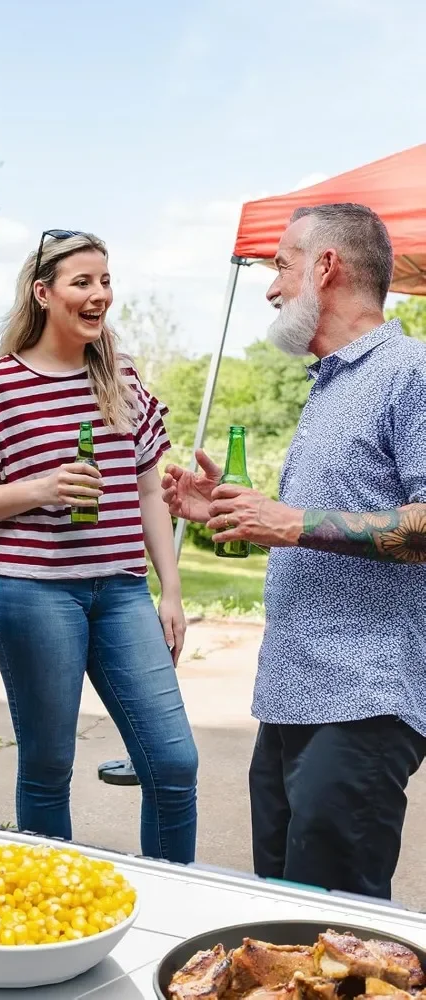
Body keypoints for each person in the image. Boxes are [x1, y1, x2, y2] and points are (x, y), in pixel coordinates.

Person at [163, 203, 426, 900]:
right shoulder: (329, 384)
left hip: (364, 700)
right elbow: (303, 524)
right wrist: (225, 511)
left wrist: (292, 522)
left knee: (332, 933)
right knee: (280, 915)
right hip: (290, 696)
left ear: (326, 266)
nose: (273, 285)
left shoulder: (410, 371)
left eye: (281, 264)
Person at [0, 230, 198, 862]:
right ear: (43, 293)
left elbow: (148, 489)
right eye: (83, 282)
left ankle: (171, 909)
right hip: (31, 592)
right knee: (50, 763)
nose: (98, 294)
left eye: (105, 281)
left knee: (172, 761)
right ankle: (53, 918)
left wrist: (171, 588)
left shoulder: (122, 376)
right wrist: (40, 488)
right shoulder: (0, 386)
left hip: (122, 591)